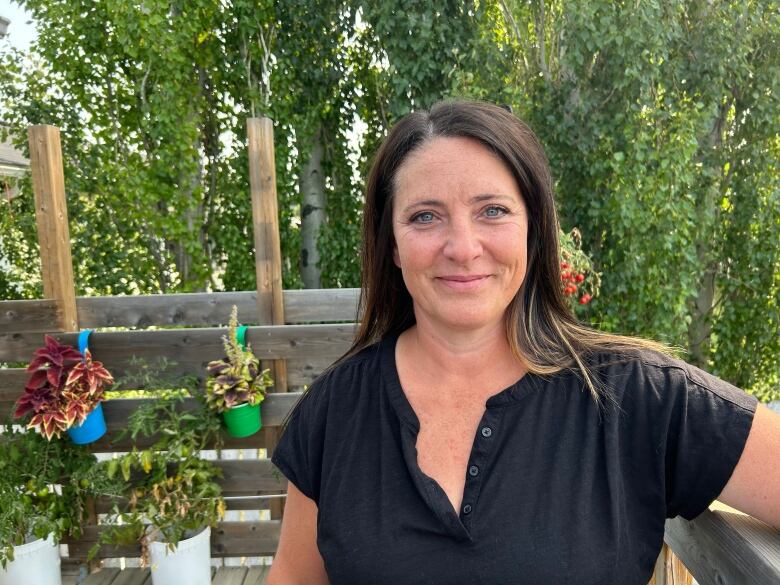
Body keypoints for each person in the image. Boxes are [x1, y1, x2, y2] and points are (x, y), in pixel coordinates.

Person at [267, 100, 780, 584]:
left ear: (533, 231)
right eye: (425, 216)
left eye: (492, 210)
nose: (463, 248)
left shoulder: (640, 397)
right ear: (393, 246)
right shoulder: (335, 412)